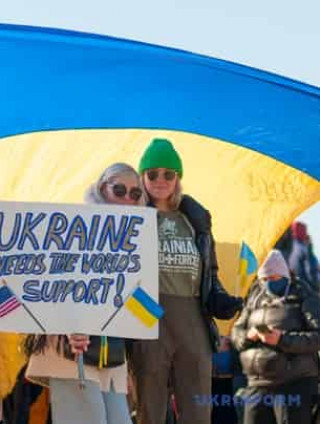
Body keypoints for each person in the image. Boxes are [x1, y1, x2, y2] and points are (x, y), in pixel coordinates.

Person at [129, 137, 243, 424]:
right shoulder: (132, 216)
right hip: (148, 312)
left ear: (178, 178)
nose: (160, 180)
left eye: (169, 173)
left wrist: (219, 297)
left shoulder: (195, 219)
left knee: (197, 407)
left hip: (192, 313)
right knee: (149, 405)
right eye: (152, 173)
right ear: (142, 178)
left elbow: (210, 271)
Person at [24, 163, 146, 424]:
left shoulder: (138, 241)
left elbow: (142, 300)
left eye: (135, 194)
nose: (127, 198)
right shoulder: (74, 226)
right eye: (120, 190)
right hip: (69, 352)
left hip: (112, 359)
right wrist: (68, 327)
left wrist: (147, 321)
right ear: (103, 189)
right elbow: (43, 286)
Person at [231, 249, 320, 424]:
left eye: (273, 278)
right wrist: (249, 335)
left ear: (284, 275)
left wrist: (281, 339)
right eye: (264, 279)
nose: (268, 283)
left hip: (294, 384)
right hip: (257, 386)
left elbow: (317, 337)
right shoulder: (255, 296)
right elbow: (236, 332)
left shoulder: (304, 294)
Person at [288, 221, 319, 290]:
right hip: (308, 289)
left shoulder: (288, 249)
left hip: (294, 288)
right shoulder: (305, 249)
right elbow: (312, 273)